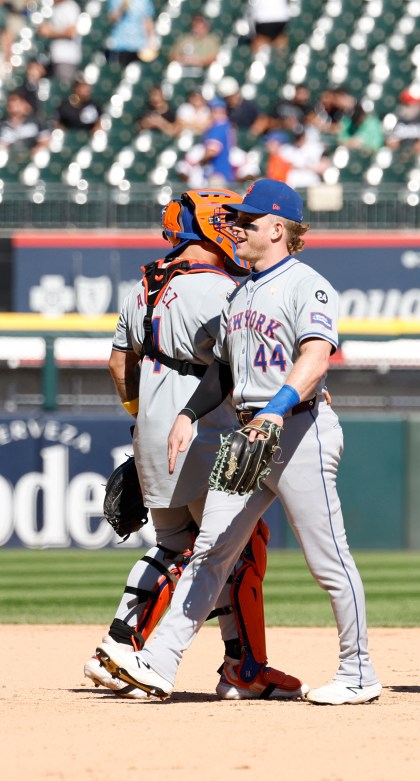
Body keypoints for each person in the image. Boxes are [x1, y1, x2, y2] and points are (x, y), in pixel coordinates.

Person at [97, 179, 380, 705]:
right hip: (246, 434)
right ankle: (159, 663)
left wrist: (273, 412)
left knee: (328, 560)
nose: (237, 227)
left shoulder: (307, 284)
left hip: (297, 429)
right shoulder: (240, 290)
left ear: (278, 229)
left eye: (248, 221)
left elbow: (315, 357)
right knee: (210, 551)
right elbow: (224, 370)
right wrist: (188, 412)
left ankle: (358, 671)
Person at [85, 189, 305, 701]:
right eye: (227, 221)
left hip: (152, 429)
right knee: (238, 546)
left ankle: (117, 646)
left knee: (174, 546)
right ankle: (244, 668)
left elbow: (119, 365)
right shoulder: (222, 289)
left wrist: (141, 423)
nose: (235, 229)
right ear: (206, 228)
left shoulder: (144, 283)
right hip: (204, 430)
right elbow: (248, 360)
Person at [36, 0, 81, 84]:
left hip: (66, 58)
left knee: (63, 87)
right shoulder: (53, 7)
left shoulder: (70, 6)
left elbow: (71, 32)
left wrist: (50, 32)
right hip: (51, 57)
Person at [105, 0, 154, 67]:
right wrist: (123, 7)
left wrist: (150, 43)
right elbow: (112, 19)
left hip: (138, 46)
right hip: (120, 46)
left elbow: (147, 21)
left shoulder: (144, 1)